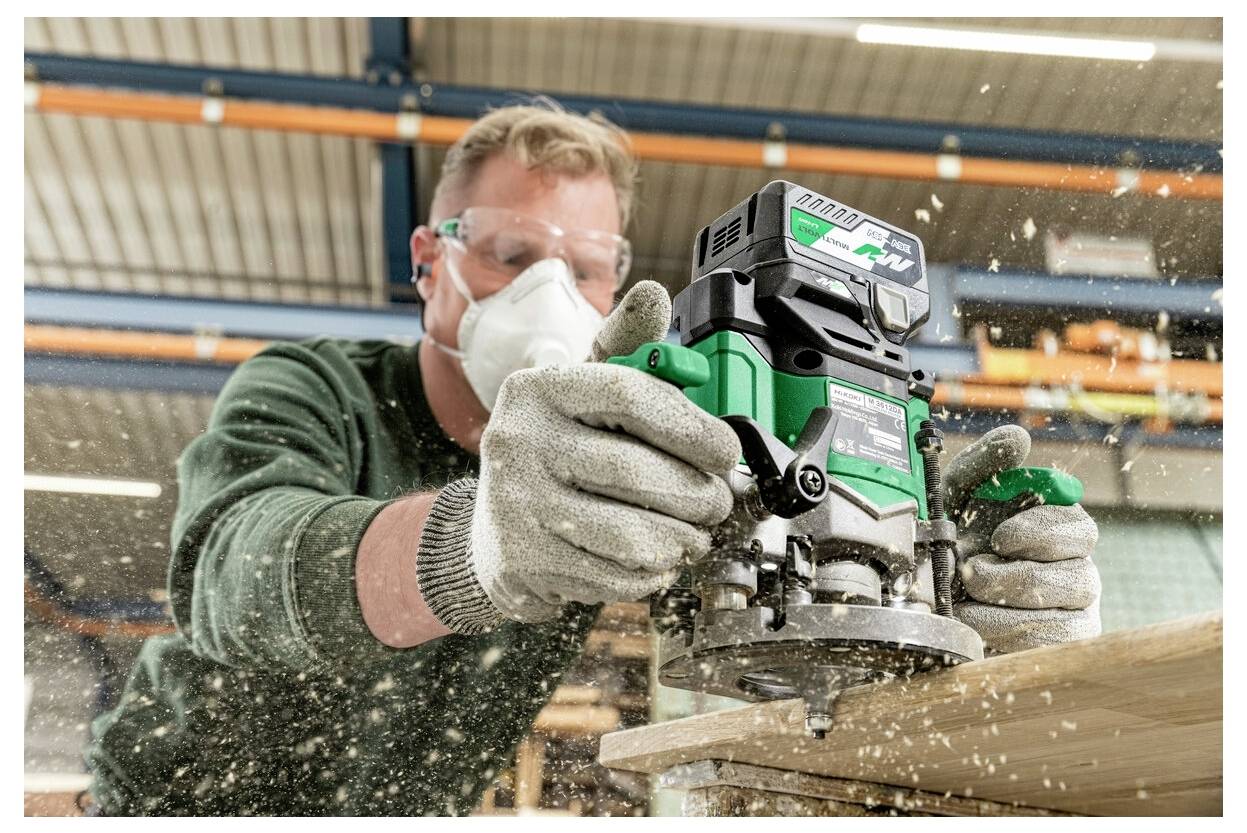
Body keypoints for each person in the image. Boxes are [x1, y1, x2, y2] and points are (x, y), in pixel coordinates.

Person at [85, 102, 1100, 816]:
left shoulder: (621, 434)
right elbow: (233, 572)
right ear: (428, 257)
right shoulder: (314, 388)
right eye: (509, 253)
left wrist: (934, 581)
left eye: (585, 266)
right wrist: (475, 542)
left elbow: (746, 599)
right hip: (178, 803)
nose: (549, 292)